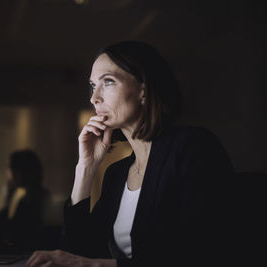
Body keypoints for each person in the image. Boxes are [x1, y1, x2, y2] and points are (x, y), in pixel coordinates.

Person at [26, 41, 234, 267]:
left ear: (144, 90)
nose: (94, 97)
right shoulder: (117, 173)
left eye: (107, 82)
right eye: (92, 85)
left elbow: (200, 254)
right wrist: (85, 168)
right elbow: (76, 252)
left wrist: (92, 265)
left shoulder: (193, 147)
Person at [0, 149, 49, 252]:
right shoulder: (29, 195)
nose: (7, 174)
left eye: (9, 168)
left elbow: (13, 234)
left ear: (20, 171)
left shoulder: (31, 200)